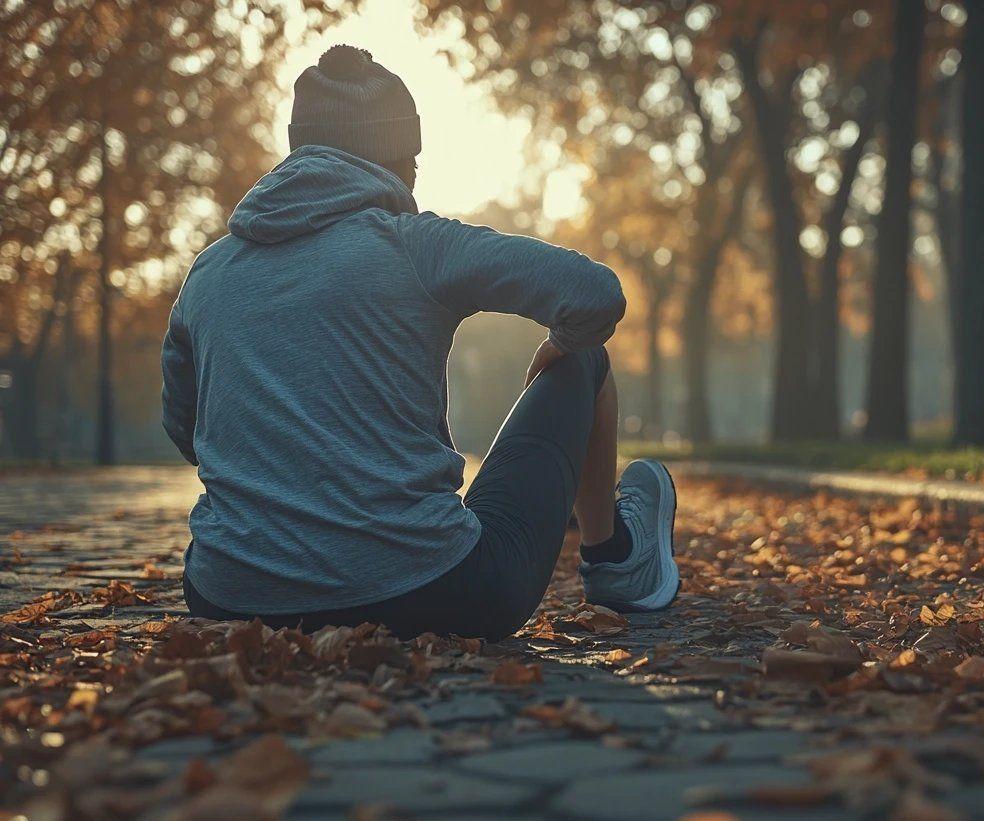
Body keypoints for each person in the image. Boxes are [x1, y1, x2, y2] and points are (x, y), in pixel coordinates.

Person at [161, 44, 678, 641]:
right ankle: (615, 558)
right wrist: (559, 346)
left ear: (298, 150)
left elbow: (187, 429)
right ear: (400, 159)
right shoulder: (413, 245)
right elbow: (595, 294)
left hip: (226, 602)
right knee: (588, 358)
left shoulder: (210, 272)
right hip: (438, 597)